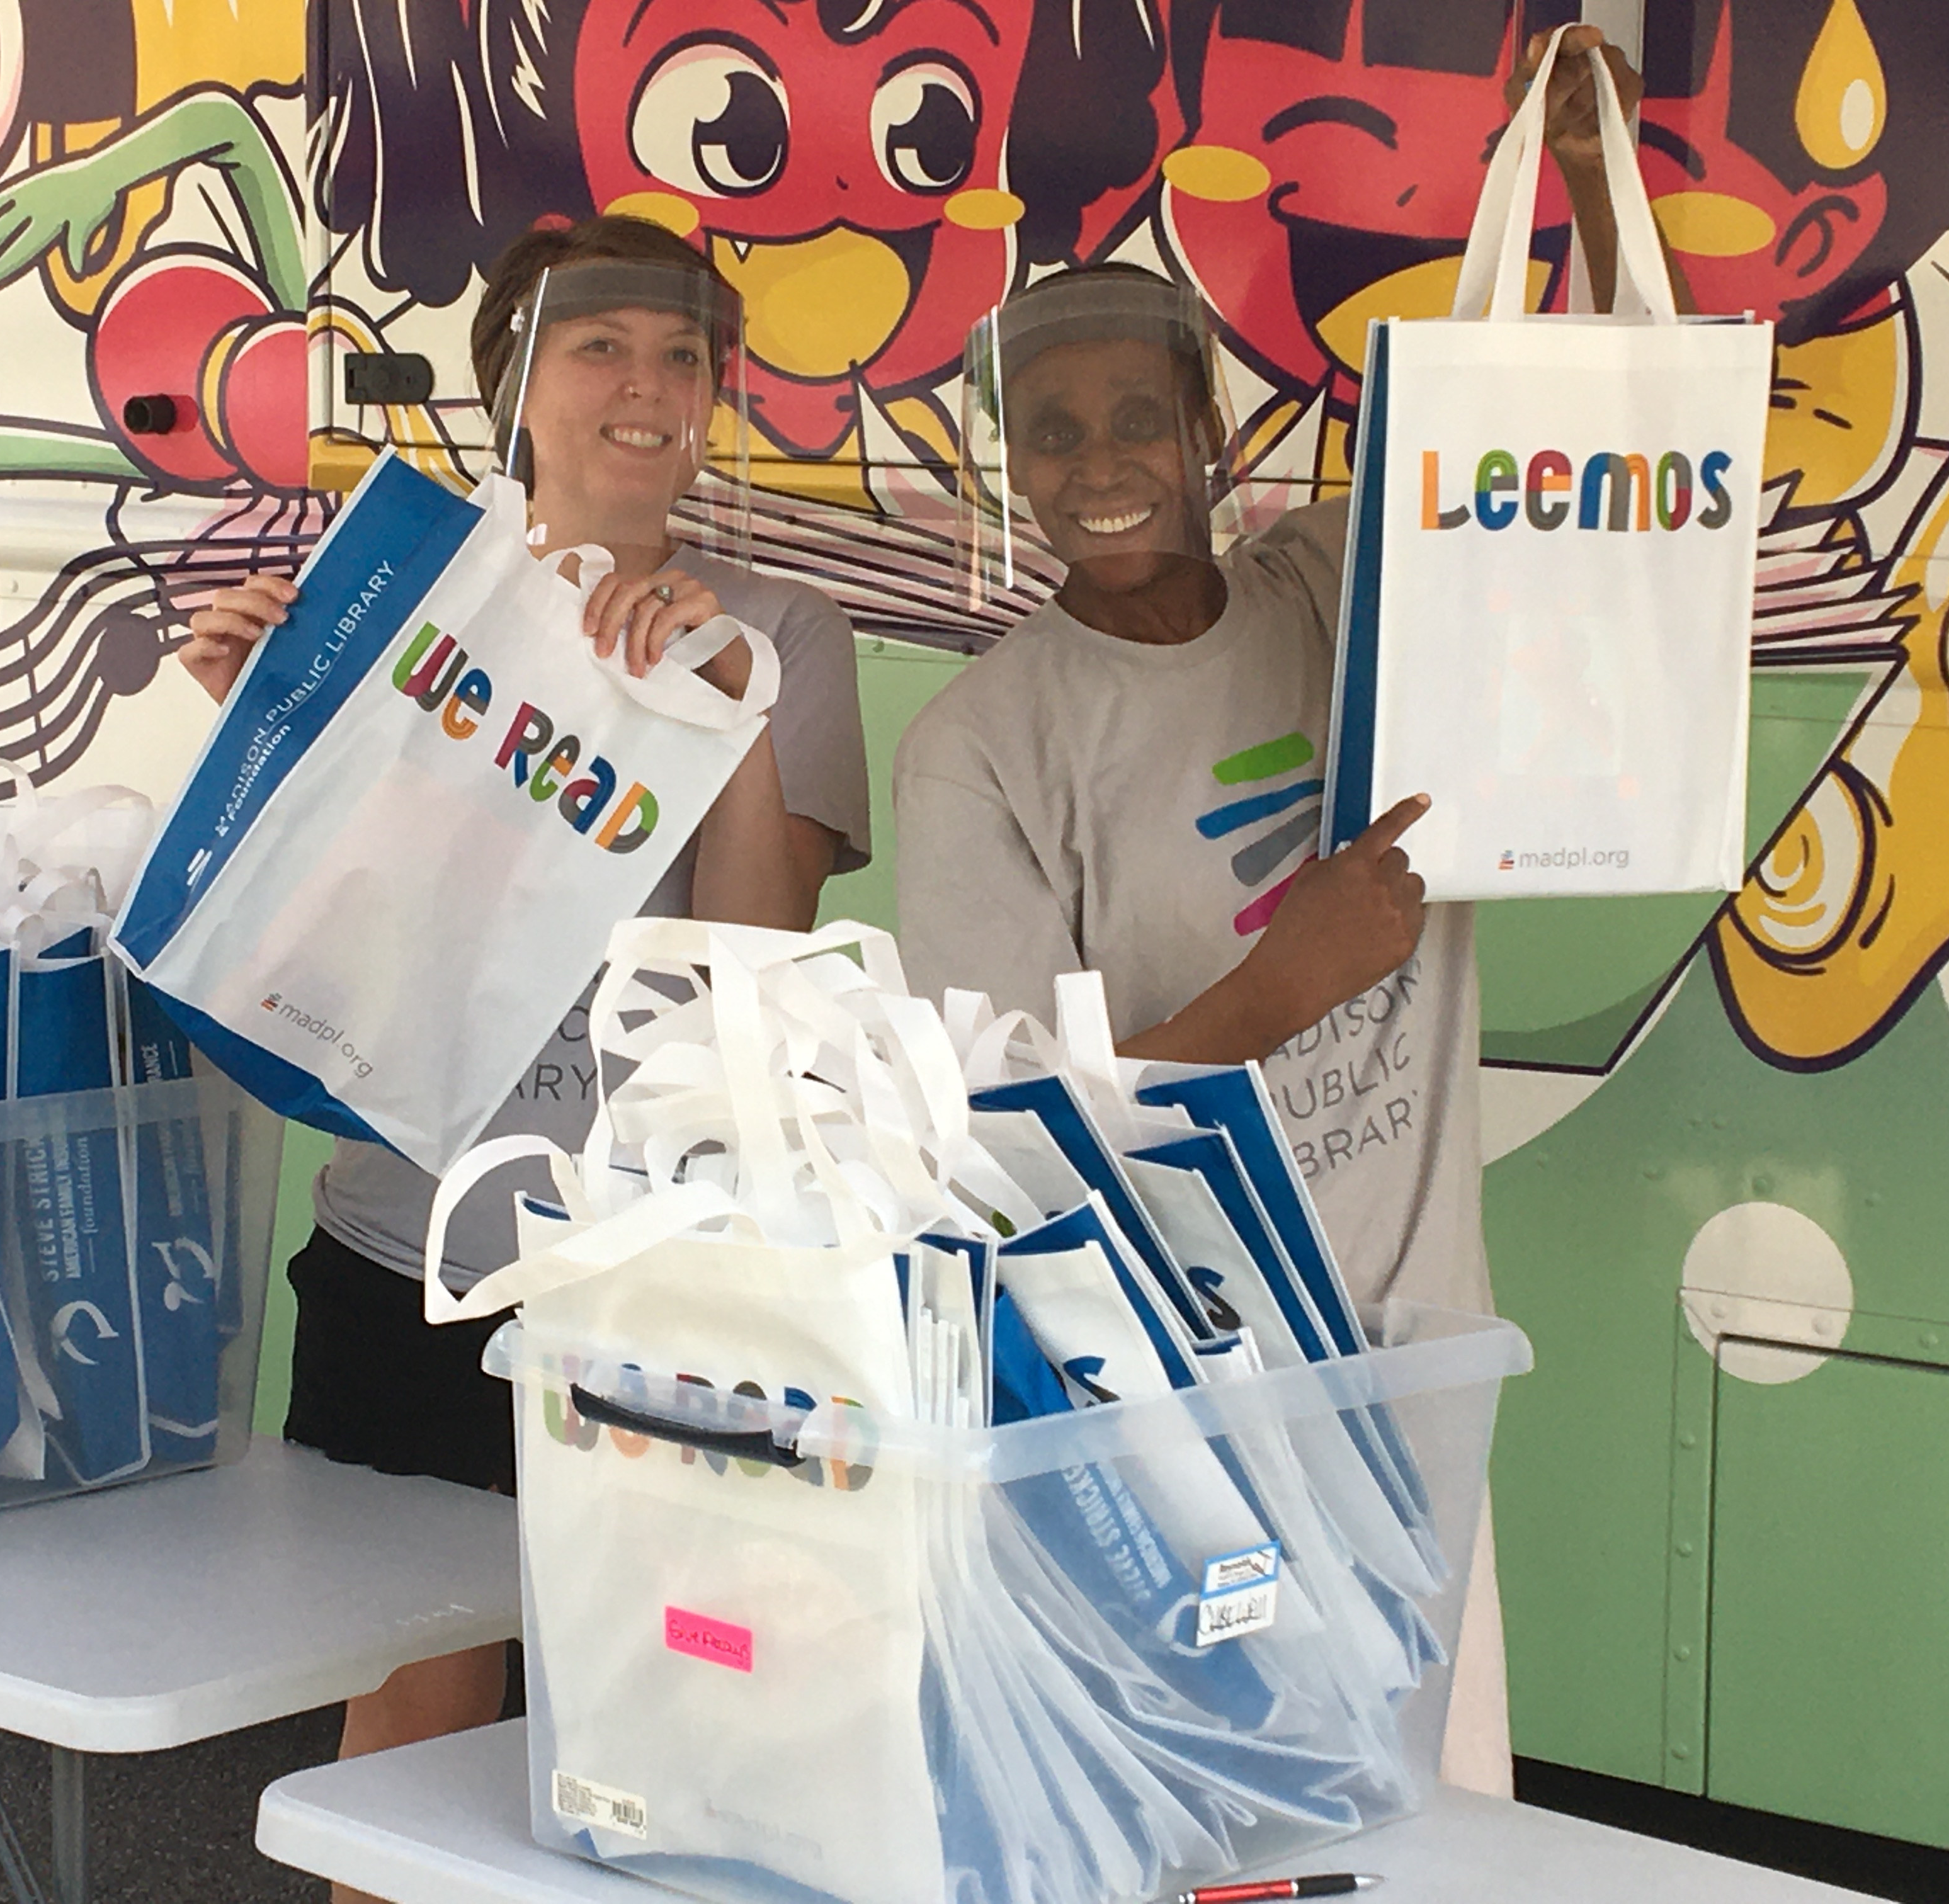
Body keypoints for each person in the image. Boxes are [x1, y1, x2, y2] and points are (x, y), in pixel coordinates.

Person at [895, 28, 1662, 1794]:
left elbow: (1586, 476)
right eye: (1055, 430)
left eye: (1140, 417)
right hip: (1194, 1383)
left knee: (1431, 1806)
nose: (1102, 462)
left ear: (1211, 433)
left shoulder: (1340, 588)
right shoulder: (979, 750)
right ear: (1014, 462)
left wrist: (1581, 211)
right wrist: (1286, 983)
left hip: (1420, 1336)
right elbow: (1015, 1151)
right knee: (1227, 1803)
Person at [179, 215, 870, 1902]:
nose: (645, 388)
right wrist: (261, 721)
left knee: (661, 1732)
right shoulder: (403, 595)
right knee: (413, 1727)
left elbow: (759, 970)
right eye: (599, 347)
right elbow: (323, 942)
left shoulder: (787, 625)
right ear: (513, 383)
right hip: (401, 1253)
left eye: (683, 357)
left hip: (653, 1286)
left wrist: (731, 702)